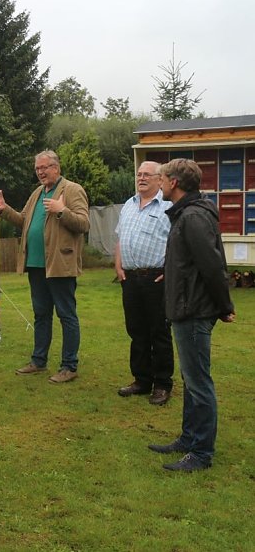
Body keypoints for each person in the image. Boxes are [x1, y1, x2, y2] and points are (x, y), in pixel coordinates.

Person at [148, 158, 235, 472]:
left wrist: (224, 306)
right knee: (191, 378)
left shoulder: (193, 216)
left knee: (199, 382)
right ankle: (188, 439)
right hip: (187, 307)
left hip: (194, 310)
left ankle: (201, 453)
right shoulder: (186, 214)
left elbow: (212, 265)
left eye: (163, 177)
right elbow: (190, 262)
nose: (159, 182)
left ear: (175, 183)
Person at [0, 150, 89, 383]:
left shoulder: (72, 190)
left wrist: (62, 211)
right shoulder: (38, 193)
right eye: (38, 169)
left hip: (60, 265)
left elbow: (83, 223)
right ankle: (39, 361)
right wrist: (4, 210)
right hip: (36, 265)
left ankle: (69, 366)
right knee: (41, 315)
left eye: (45, 167)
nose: (41, 172)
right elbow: (23, 220)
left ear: (56, 168)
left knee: (66, 315)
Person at [114, 161, 174, 405]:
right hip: (130, 278)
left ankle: (162, 384)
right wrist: (118, 265)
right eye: (139, 174)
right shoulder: (128, 205)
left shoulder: (169, 206)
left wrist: (171, 271)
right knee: (136, 331)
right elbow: (119, 238)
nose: (141, 178)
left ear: (160, 180)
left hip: (156, 278)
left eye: (147, 174)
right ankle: (141, 380)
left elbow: (178, 241)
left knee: (159, 331)